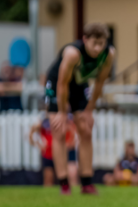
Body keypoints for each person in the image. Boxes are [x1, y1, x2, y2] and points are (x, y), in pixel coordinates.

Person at [44, 23, 115, 195]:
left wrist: (90, 110)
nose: (98, 48)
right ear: (85, 40)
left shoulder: (108, 54)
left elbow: (100, 82)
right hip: (57, 83)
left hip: (79, 83)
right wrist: (62, 112)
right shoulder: (73, 54)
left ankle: (86, 183)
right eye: (94, 43)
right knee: (59, 130)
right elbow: (62, 84)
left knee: (86, 130)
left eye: (101, 44)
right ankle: (64, 184)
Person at [30, 115, 77, 187]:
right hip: (48, 154)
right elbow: (32, 133)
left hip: (63, 154)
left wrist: (68, 144)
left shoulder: (66, 120)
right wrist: (38, 145)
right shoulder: (44, 122)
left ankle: (68, 189)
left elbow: (73, 133)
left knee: (71, 175)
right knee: (48, 178)